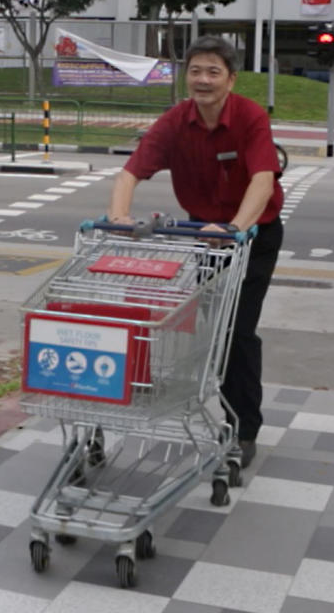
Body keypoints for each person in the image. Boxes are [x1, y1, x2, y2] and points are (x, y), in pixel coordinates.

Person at [108, 35, 284, 469]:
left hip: (252, 236)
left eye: (213, 72)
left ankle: (244, 429)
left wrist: (234, 229)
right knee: (213, 333)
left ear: (230, 79)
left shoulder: (249, 117)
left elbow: (263, 179)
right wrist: (119, 216)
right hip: (202, 239)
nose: (202, 80)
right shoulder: (175, 121)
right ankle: (215, 406)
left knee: (238, 330)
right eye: (195, 71)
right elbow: (131, 173)